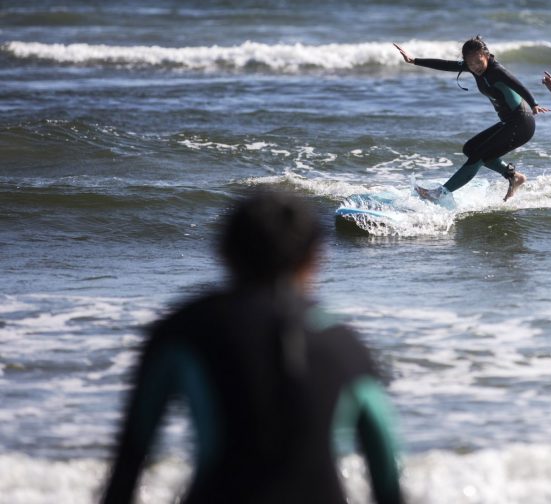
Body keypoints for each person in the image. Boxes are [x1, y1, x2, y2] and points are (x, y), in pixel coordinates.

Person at [101, 189, 405, 504]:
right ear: (315, 258)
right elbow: (387, 473)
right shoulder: (344, 342)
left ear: (224, 251)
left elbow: (130, 458)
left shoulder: (186, 328)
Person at [394, 37, 549, 201]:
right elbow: (446, 64)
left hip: (521, 123)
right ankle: (513, 176)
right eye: (471, 64)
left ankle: (440, 193)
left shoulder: (497, 71)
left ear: (486, 55)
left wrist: (534, 103)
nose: (475, 67)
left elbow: (518, 85)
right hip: (509, 123)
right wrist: (414, 60)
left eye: (478, 62)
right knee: (470, 148)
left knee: (478, 156)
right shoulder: (472, 67)